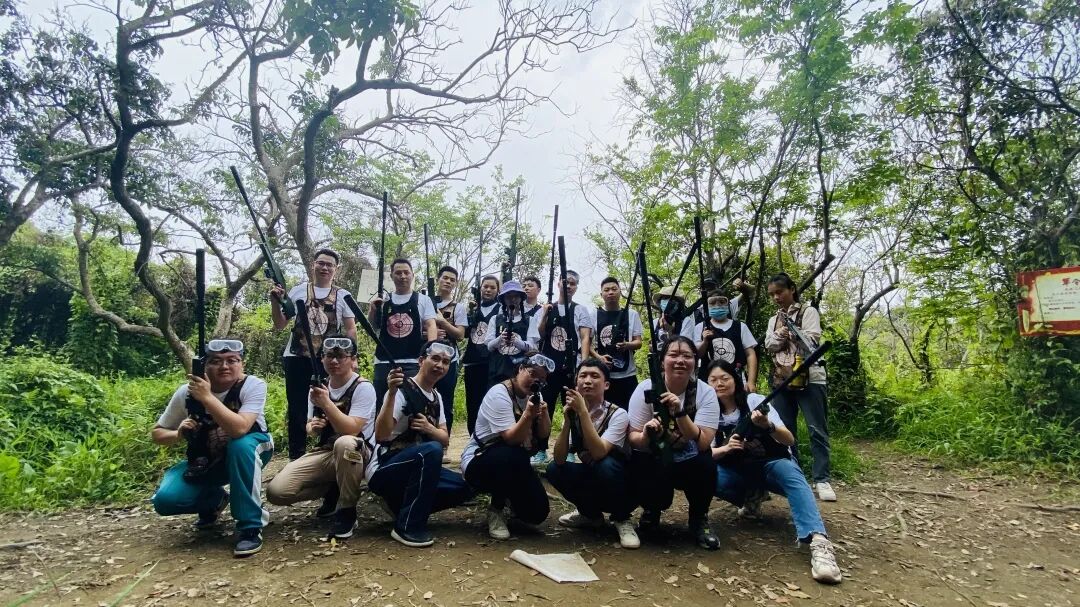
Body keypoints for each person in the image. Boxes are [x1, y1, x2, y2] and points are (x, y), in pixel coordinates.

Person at [706, 360, 842, 584]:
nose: (719, 384)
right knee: (708, 474)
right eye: (713, 380)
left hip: (772, 464)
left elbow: (788, 439)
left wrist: (767, 426)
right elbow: (706, 453)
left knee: (792, 475)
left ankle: (818, 541)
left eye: (724, 378)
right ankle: (752, 495)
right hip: (738, 471)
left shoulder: (755, 401)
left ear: (736, 380)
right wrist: (727, 448)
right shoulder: (709, 410)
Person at [150, 340, 273, 557]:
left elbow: (240, 429)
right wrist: (178, 434)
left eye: (232, 361)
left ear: (242, 364)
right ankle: (215, 500)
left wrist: (207, 398)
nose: (224, 366)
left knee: (240, 445)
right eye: (215, 361)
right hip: (206, 460)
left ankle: (250, 526)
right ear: (204, 366)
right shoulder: (186, 393)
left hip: (251, 450)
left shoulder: (252, 385)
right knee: (166, 500)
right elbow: (158, 434)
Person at [265, 337, 377, 539]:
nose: (334, 361)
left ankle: (347, 510)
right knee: (277, 492)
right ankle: (333, 489)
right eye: (329, 356)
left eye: (341, 356)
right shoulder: (318, 387)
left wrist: (326, 404)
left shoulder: (363, 387)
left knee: (345, 443)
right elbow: (310, 426)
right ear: (322, 359)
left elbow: (352, 430)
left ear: (353, 360)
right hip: (327, 451)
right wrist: (313, 428)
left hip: (359, 452)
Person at [369, 341, 474, 547]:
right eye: (435, 359)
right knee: (431, 451)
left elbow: (444, 438)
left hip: (420, 466)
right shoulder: (401, 390)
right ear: (420, 361)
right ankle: (407, 526)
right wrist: (391, 393)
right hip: (386, 466)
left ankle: (400, 506)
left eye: (445, 362)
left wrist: (428, 428)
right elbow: (381, 435)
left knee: (465, 487)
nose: (440, 365)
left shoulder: (437, 396)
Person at [627, 336, 719, 549]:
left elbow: (704, 442)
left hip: (690, 458)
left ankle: (699, 518)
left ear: (695, 361)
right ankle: (652, 509)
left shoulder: (705, 392)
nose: (680, 361)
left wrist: (680, 412)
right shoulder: (645, 389)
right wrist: (646, 435)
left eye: (687, 356)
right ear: (662, 361)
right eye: (673, 355)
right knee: (640, 463)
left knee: (706, 463)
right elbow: (633, 438)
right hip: (655, 456)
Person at [270, 249, 357, 462]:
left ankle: (326, 451)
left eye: (330, 265)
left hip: (329, 360)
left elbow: (350, 328)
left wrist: (351, 356)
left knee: (331, 404)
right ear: (313, 265)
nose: (325, 268)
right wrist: (275, 302)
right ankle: (296, 457)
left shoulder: (343, 295)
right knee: (297, 406)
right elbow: (280, 324)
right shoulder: (298, 290)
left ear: (336, 269)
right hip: (296, 357)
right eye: (321, 263)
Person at [546, 359, 639, 549]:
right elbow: (559, 458)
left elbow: (599, 453)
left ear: (606, 385)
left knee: (606, 465)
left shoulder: (618, 414)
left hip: (622, 482)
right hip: (594, 476)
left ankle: (622, 518)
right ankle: (590, 515)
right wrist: (567, 422)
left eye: (595, 376)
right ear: (576, 384)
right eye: (583, 376)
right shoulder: (573, 413)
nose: (587, 381)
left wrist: (582, 413)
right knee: (554, 469)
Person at [461, 354, 554, 539]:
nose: (535, 381)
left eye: (541, 379)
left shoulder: (535, 395)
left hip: (514, 462)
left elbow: (544, 434)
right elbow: (512, 439)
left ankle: (511, 500)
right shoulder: (499, 394)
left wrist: (543, 414)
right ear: (520, 369)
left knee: (537, 513)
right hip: (480, 460)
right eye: (532, 373)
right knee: (511, 454)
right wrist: (528, 415)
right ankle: (496, 509)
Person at [763, 273, 835, 502]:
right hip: (782, 379)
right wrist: (780, 334)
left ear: (792, 289)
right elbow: (769, 344)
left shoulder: (808, 312)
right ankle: (795, 474)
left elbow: (812, 340)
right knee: (785, 429)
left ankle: (822, 479)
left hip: (811, 377)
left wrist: (791, 331)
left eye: (780, 292)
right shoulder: (774, 320)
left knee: (817, 428)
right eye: (772, 294)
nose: (776, 298)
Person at [535, 270, 595, 467]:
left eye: (572, 283)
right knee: (545, 406)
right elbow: (540, 334)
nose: (568, 286)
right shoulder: (547, 307)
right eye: (565, 282)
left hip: (571, 367)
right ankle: (540, 449)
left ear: (576, 287)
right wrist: (545, 314)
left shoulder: (580, 310)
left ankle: (572, 449)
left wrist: (584, 365)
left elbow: (585, 338)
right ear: (558, 283)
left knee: (572, 408)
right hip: (549, 368)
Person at [368, 258, 438, 409]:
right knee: (381, 405)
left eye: (406, 272)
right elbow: (374, 327)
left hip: (413, 361)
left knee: (413, 406)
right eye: (398, 273)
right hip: (384, 361)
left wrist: (431, 352)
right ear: (391, 276)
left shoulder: (423, 300)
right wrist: (373, 310)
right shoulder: (383, 300)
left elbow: (431, 325)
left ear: (413, 275)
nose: (403, 276)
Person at [593, 276, 643, 410]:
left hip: (628, 374)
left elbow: (638, 342)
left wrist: (627, 345)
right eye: (606, 290)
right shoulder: (594, 314)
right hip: (604, 374)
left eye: (614, 289)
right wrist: (599, 358)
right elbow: (586, 344)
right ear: (601, 294)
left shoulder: (631, 314)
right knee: (604, 412)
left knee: (631, 411)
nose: (610, 292)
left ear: (620, 291)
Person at [430, 266, 468, 434]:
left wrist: (443, 322)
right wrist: (429, 333)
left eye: (452, 280)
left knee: (446, 401)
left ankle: (444, 439)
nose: (448, 282)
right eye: (445, 278)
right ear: (438, 279)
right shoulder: (425, 301)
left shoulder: (458, 307)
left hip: (449, 359)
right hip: (427, 357)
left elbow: (460, 334)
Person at [462, 275, 501, 434]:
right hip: (472, 361)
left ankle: (491, 436)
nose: (488, 290)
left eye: (492, 287)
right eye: (485, 286)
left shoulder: (501, 310)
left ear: (498, 290)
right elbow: (464, 333)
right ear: (480, 288)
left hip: (492, 362)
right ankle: (473, 436)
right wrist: (470, 311)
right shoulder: (473, 308)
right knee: (472, 402)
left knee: (492, 400)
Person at [695, 291, 758, 387]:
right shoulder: (700, 327)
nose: (717, 305)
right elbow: (697, 355)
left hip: (737, 381)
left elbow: (750, 354)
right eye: (712, 303)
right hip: (707, 382)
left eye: (721, 302)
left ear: (728, 304)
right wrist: (705, 342)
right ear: (707, 306)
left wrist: (751, 382)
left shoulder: (740, 327)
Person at [486, 280, 540, 384]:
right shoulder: (495, 319)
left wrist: (517, 342)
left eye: (516, 296)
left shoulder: (530, 320)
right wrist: (500, 339)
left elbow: (532, 347)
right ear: (503, 299)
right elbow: (489, 346)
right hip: (497, 370)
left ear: (521, 298)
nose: (513, 299)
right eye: (509, 297)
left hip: (519, 371)